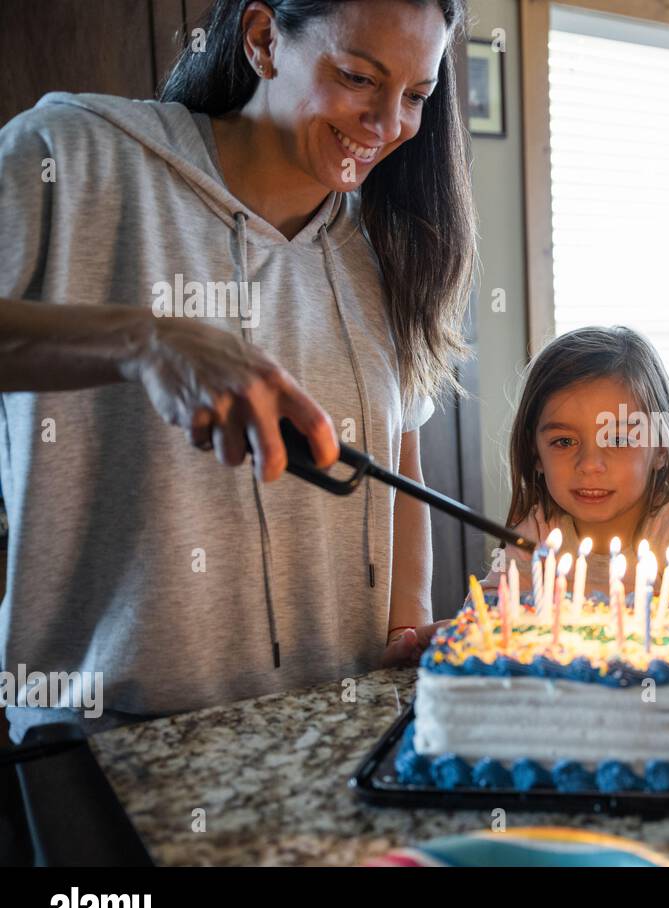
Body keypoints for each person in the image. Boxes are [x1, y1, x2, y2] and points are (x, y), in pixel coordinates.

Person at [0, 0, 476, 741]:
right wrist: (142, 340)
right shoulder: (69, 156)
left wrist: (405, 633)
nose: (387, 126)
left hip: (331, 736)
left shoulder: (385, 248)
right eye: (357, 76)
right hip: (102, 745)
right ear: (263, 39)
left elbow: (399, 461)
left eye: (415, 96)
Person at [385, 326, 669, 662]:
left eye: (620, 438)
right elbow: (487, 621)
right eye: (563, 441)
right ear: (535, 454)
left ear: (661, 448)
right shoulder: (536, 536)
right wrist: (460, 635)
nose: (590, 463)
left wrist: (611, 622)